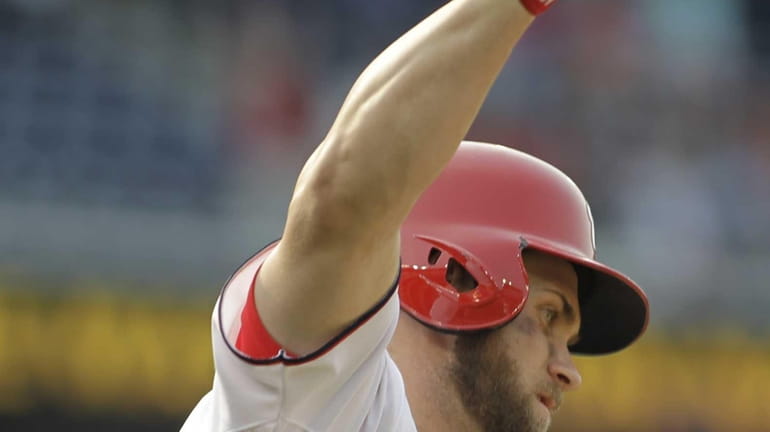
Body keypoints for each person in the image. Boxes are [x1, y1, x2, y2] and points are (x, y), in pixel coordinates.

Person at [183, 0, 649, 431]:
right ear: (454, 276)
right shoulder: (316, 400)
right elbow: (345, 201)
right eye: (549, 315)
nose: (569, 372)